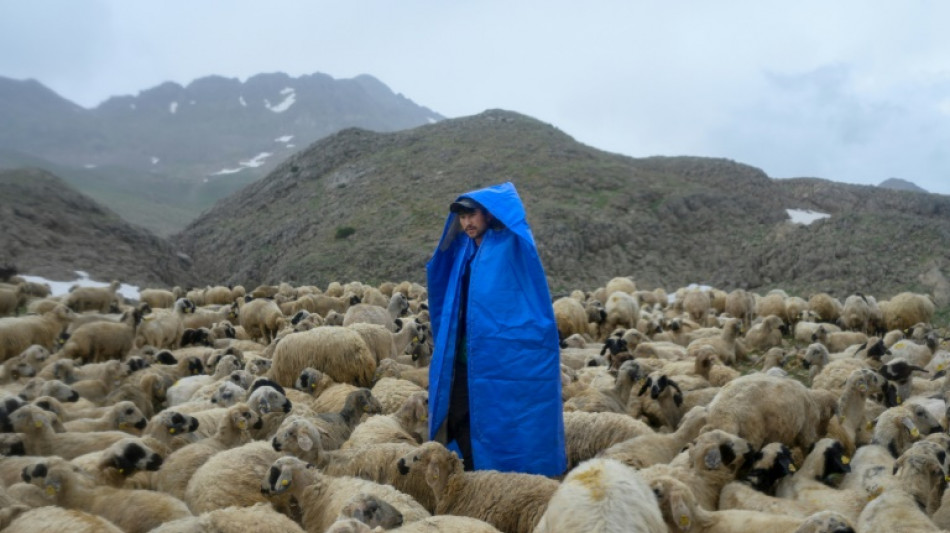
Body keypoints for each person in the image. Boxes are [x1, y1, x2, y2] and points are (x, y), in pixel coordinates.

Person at [426, 181, 567, 476]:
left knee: (503, 418)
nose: (466, 223)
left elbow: (518, 301)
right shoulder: (463, 253)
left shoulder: (509, 250)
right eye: (462, 217)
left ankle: (500, 479)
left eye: (472, 215)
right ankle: (472, 474)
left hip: (500, 357)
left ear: (487, 215)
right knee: (455, 414)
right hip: (465, 355)